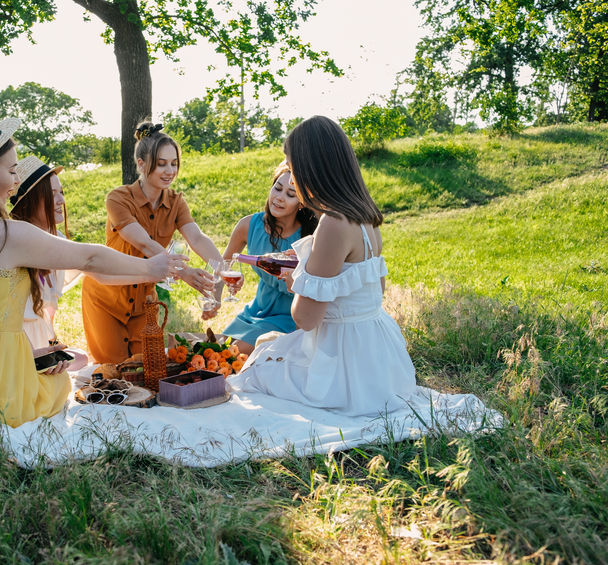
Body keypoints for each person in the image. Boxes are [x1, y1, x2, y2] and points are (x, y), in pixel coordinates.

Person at [0, 112, 185, 443]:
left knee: (60, 371)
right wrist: (150, 268)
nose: (16, 181)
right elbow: (88, 256)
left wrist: (26, 359)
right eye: (11, 170)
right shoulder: (3, 233)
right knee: (57, 388)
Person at [227, 116, 416, 416]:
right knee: (265, 348)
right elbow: (374, 292)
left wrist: (294, 280)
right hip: (381, 358)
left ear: (310, 169)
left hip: (343, 363)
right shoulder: (367, 216)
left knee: (254, 372)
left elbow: (305, 319)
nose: (291, 177)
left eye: (292, 167)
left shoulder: (332, 223)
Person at [81, 121, 224, 364]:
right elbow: (145, 244)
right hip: (106, 300)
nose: (170, 171)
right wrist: (185, 273)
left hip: (145, 307)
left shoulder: (176, 202)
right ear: (141, 164)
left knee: (148, 372)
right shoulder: (118, 199)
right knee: (114, 372)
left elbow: (197, 237)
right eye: (161, 164)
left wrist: (223, 272)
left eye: (174, 163)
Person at [214, 161, 318, 355]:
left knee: (230, 354)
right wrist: (216, 298)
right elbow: (223, 265)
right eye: (277, 189)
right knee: (213, 348)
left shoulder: (310, 237)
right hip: (257, 312)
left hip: (291, 317)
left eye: (290, 194)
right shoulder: (249, 225)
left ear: (302, 202)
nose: (279, 198)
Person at [8, 156, 88, 370]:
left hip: (42, 340)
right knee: (73, 360)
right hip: (16, 343)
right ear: (30, 201)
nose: (61, 200)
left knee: (80, 357)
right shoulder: (16, 243)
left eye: (61, 192)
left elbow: (95, 269)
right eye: (52, 195)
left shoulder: (56, 238)